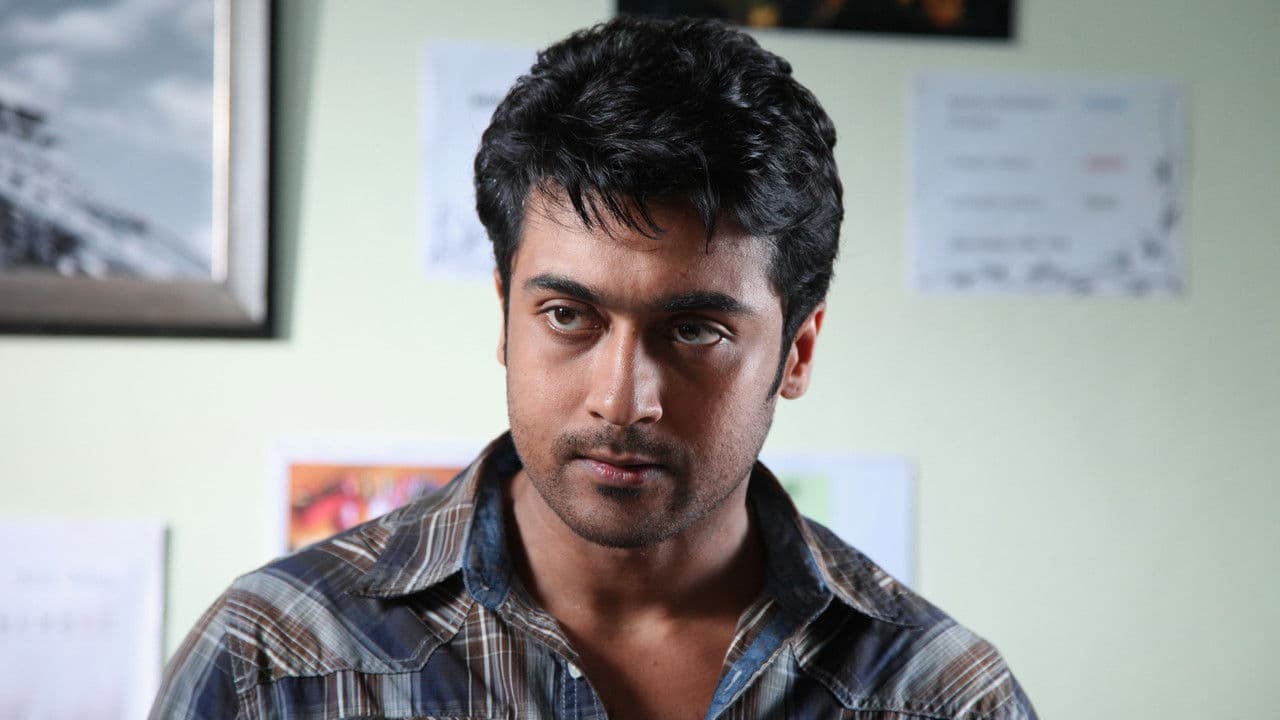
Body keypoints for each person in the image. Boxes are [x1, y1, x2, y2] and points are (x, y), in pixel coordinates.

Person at [151, 15, 1037, 720]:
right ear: (506, 315)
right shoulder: (278, 662)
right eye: (569, 316)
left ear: (797, 351)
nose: (621, 400)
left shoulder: (937, 696)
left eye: (695, 332)